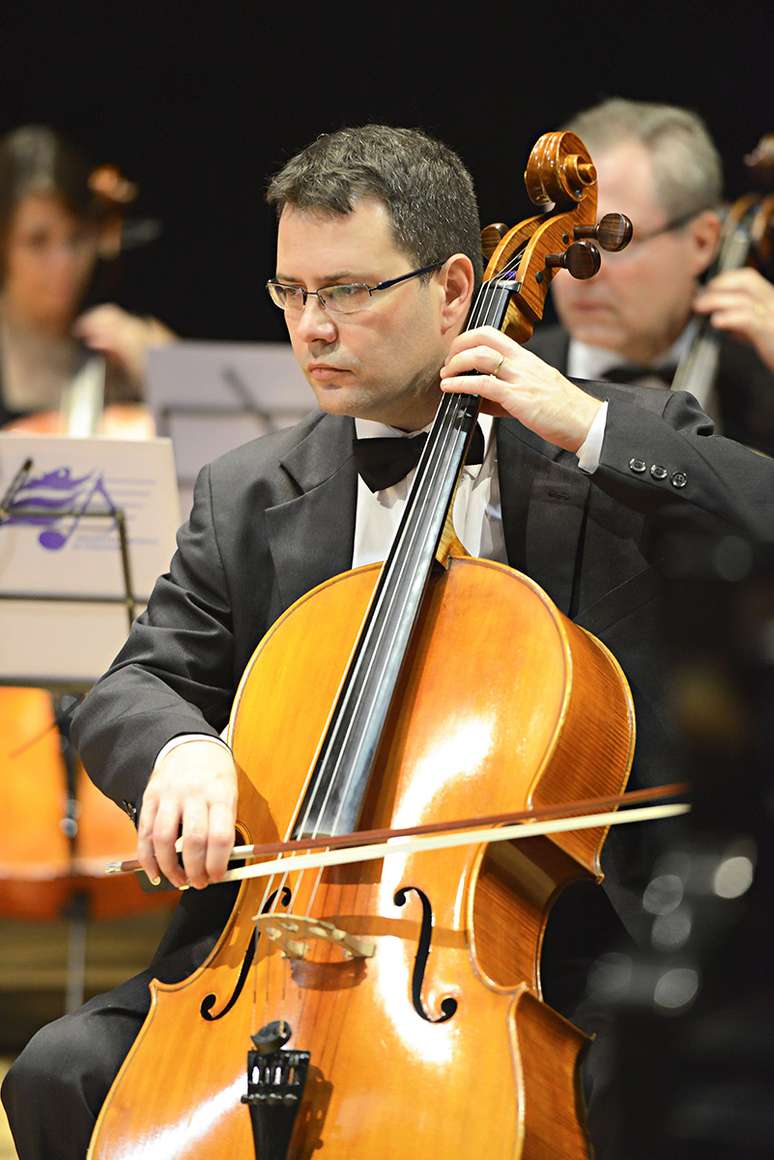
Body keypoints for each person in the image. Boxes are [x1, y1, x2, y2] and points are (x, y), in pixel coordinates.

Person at [3, 123, 773, 1160]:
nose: (312, 327)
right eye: (291, 293)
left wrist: (586, 425)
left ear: (457, 288)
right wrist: (182, 749)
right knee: (61, 1067)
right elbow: (135, 682)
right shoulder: (249, 491)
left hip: (560, 948)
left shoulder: (593, 441)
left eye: (350, 291)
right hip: (275, 953)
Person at [526, 97, 774, 455]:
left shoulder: (764, 378)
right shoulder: (504, 378)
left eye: (612, 240)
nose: (578, 271)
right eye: (563, 237)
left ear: (702, 241)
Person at [0, 124, 175, 431]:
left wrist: (163, 369)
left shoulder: (118, 345)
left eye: (78, 238)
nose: (64, 263)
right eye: (37, 241)